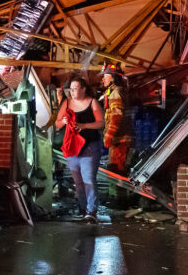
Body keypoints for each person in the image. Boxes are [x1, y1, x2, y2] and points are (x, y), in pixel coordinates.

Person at [54, 76, 104, 222]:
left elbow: (101, 123)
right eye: (71, 89)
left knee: (89, 179)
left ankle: (91, 211)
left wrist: (84, 126)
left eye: (76, 88)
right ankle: (83, 210)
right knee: (78, 181)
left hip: (90, 146)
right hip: (72, 148)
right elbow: (57, 124)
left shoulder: (92, 102)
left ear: (83, 89)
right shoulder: (66, 103)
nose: (72, 91)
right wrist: (63, 121)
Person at [100, 63, 133, 175]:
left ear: (113, 78)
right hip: (119, 139)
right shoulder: (115, 91)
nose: (103, 79)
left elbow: (116, 116)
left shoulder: (115, 93)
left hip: (119, 140)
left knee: (116, 171)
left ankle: (120, 187)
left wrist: (109, 136)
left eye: (106, 76)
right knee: (116, 169)